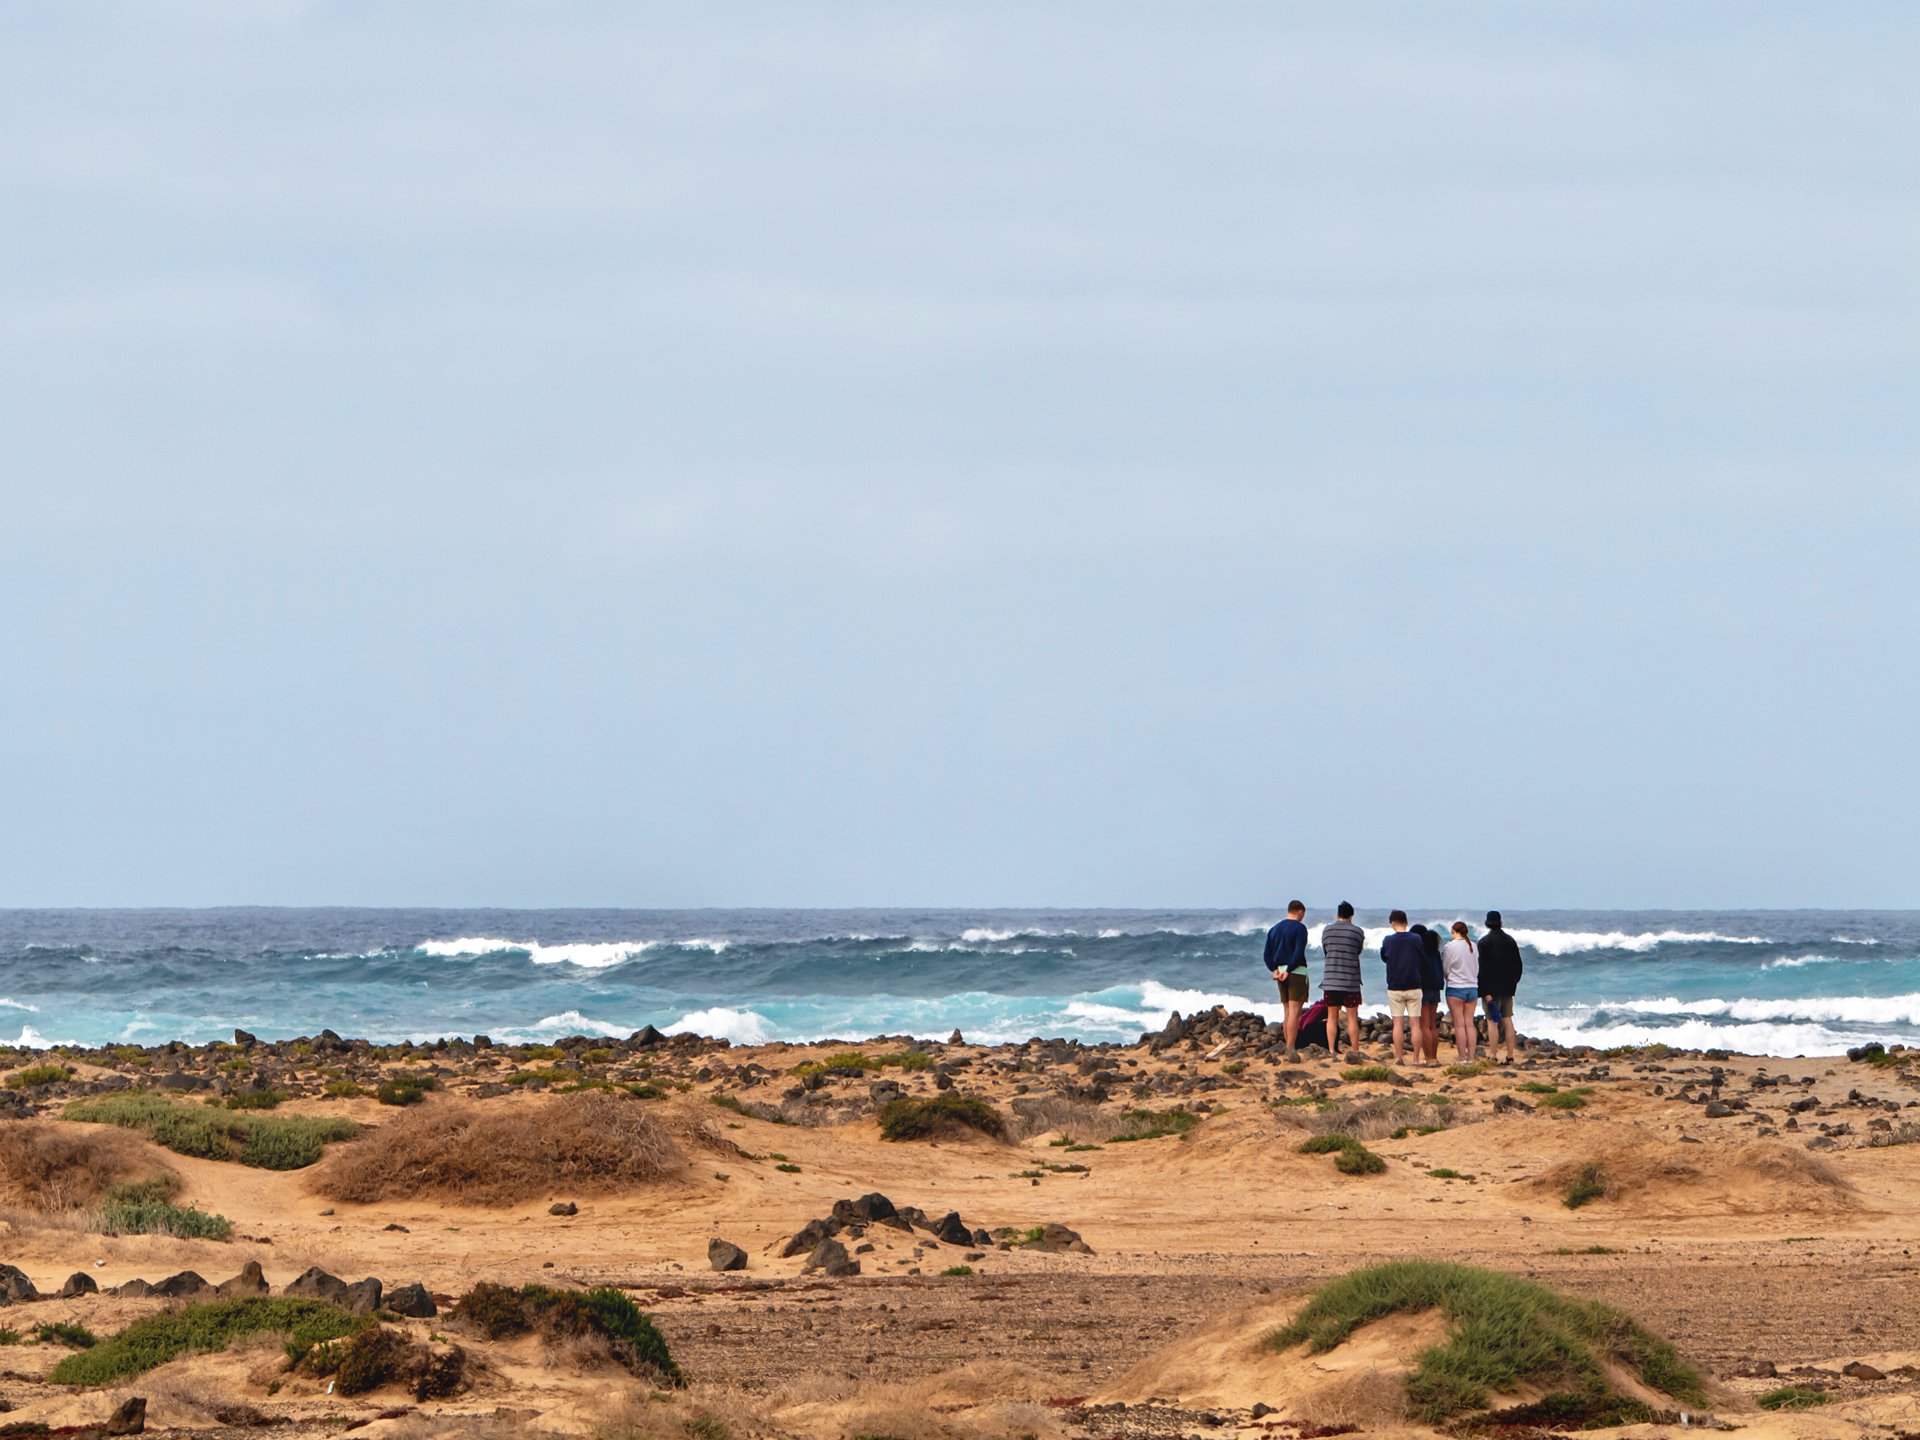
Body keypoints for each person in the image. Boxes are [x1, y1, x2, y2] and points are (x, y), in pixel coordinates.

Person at [1263, 901, 1310, 1056]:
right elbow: (1298, 952)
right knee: (1295, 1012)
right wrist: (1289, 970)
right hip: (1296, 972)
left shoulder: (1274, 929)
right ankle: (1290, 1047)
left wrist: (1274, 969)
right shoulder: (1300, 928)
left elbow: (1267, 955)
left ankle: (1288, 1044)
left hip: (1280, 971)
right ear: (1300, 911)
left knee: (1287, 1011)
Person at [1378, 910, 1426, 1064]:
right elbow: (1421, 957)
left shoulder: (1388, 940)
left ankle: (1399, 1057)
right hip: (1414, 985)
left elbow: (1384, 957)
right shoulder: (1416, 938)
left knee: (1397, 1024)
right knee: (1415, 1024)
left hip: (1395, 986)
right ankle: (1416, 1058)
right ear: (1406, 922)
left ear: (1392, 923)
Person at [1476, 910, 1524, 1063]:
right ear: (1500, 922)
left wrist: (1484, 991)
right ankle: (1510, 1055)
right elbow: (1518, 965)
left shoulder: (1484, 942)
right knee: (1508, 1020)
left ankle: (1493, 1055)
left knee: (1492, 1022)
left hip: (1491, 989)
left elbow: (1483, 969)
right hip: (1508, 988)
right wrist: (1513, 983)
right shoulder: (1510, 941)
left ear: (1487, 923)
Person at [1319, 902, 1366, 1057]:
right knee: (1352, 1017)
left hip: (1331, 980)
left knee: (1332, 1017)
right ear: (1351, 916)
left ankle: (1331, 1050)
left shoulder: (1327, 930)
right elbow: (1358, 951)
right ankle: (1355, 1050)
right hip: (1351, 981)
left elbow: (1326, 950)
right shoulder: (1358, 932)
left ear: (1337, 914)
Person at [1441, 920, 1480, 1061]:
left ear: (1453, 931)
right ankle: (1471, 1057)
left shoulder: (1449, 947)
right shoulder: (1473, 946)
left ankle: (1462, 1057)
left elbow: (1446, 968)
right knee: (1469, 1023)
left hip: (1455, 988)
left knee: (1459, 1025)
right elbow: (1476, 967)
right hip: (1472, 987)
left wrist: (1448, 978)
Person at [1410, 923, 1444, 1062]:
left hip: (1423, 989)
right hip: (1436, 989)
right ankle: (1434, 1056)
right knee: (1432, 1025)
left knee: (1423, 1025)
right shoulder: (1435, 952)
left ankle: (1428, 1057)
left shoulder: (1419, 952)